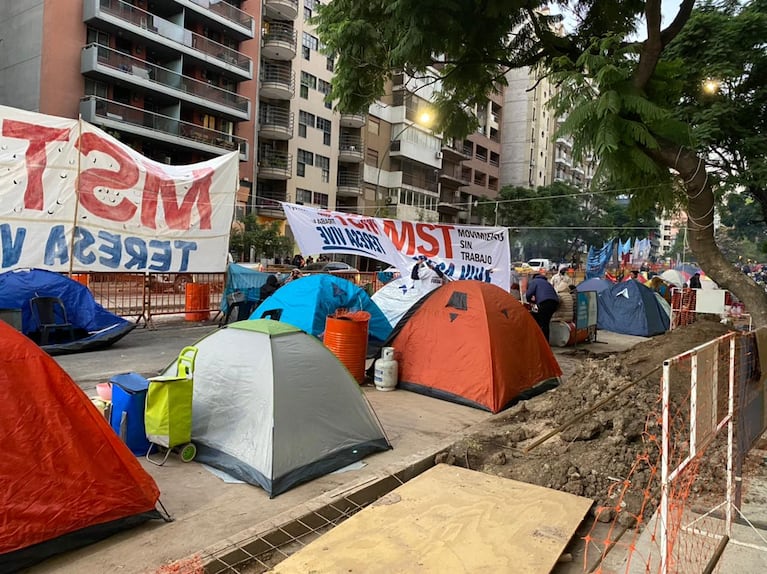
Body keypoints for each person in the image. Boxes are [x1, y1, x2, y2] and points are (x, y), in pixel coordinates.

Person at [525, 271, 559, 343]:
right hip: (554, 303)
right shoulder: (547, 282)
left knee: (543, 323)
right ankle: (545, 342)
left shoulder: (534, 281)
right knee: (545, 322)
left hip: (545, 303)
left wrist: (529, 301)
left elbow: (529, 294)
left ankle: (544, 343)